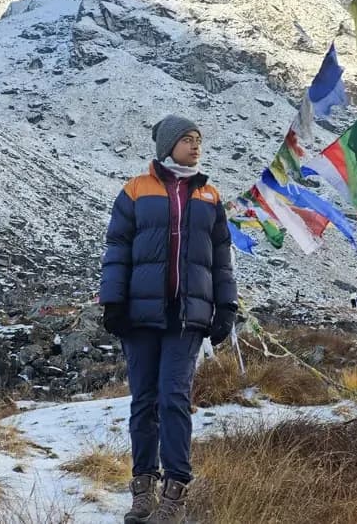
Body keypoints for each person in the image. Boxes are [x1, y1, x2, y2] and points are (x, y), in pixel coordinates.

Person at [99, 114, 238, 524]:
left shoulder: (210, 197)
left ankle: (174, 495)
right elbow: (117, 249)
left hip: (186, 318)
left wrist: (225, 308)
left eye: (198, 139)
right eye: (187, 139)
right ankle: (142, 489)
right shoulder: (135, 191)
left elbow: (221, 262)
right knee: (143, 401)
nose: (196, 146)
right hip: (140, 316)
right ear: (167, 146)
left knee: (173, 399)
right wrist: (113, 302)